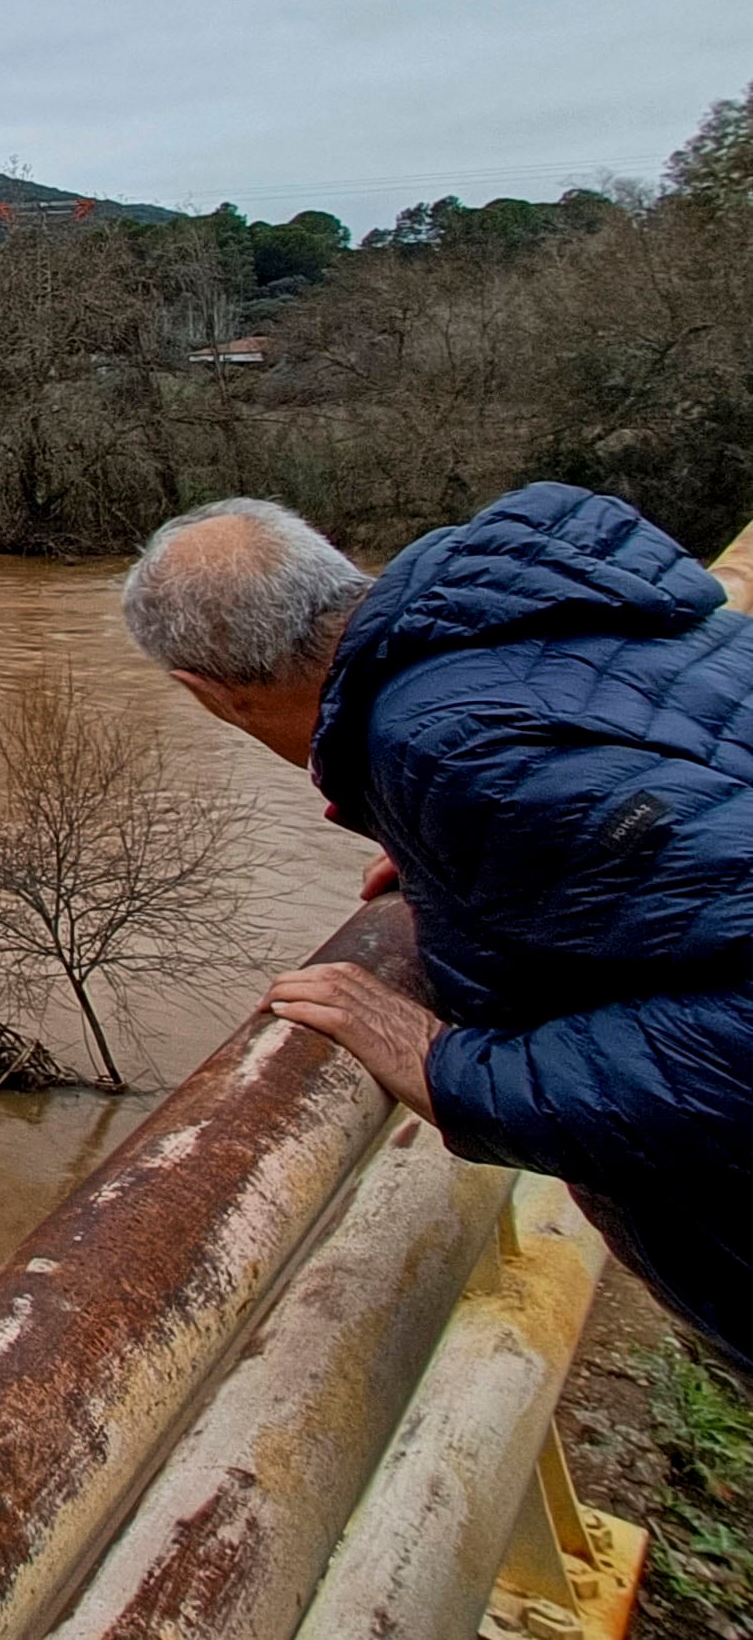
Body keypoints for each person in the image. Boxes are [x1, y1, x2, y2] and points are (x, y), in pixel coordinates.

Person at [120, 483, 753, 1369]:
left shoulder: (445, 746)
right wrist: (446, 860)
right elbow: (658, 767)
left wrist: (455, 1072)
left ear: (210, 694)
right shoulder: (554, 612)